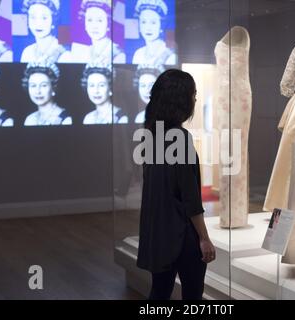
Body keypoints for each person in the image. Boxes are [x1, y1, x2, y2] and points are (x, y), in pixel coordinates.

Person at [137, 69, 215, 300]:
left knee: (159, 291)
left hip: (157, 229)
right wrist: (204, 238)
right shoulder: (178, 138)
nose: (194, 100)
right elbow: (190, 197)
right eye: (193, 95)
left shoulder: (151, 132)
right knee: (192, 295)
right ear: (181, 100)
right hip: (180, 233)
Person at [22, 62, 72, 126]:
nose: (38, 91)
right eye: (33, 85)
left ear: (53, 88)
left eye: (44, 85)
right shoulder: (30, 118)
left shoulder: (66, 120)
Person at [132, 0, 176, 66]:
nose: (148, 28)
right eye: (143, 22)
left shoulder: (170, 55)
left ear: (161, 25)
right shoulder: (138, 54)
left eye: (153, 22)